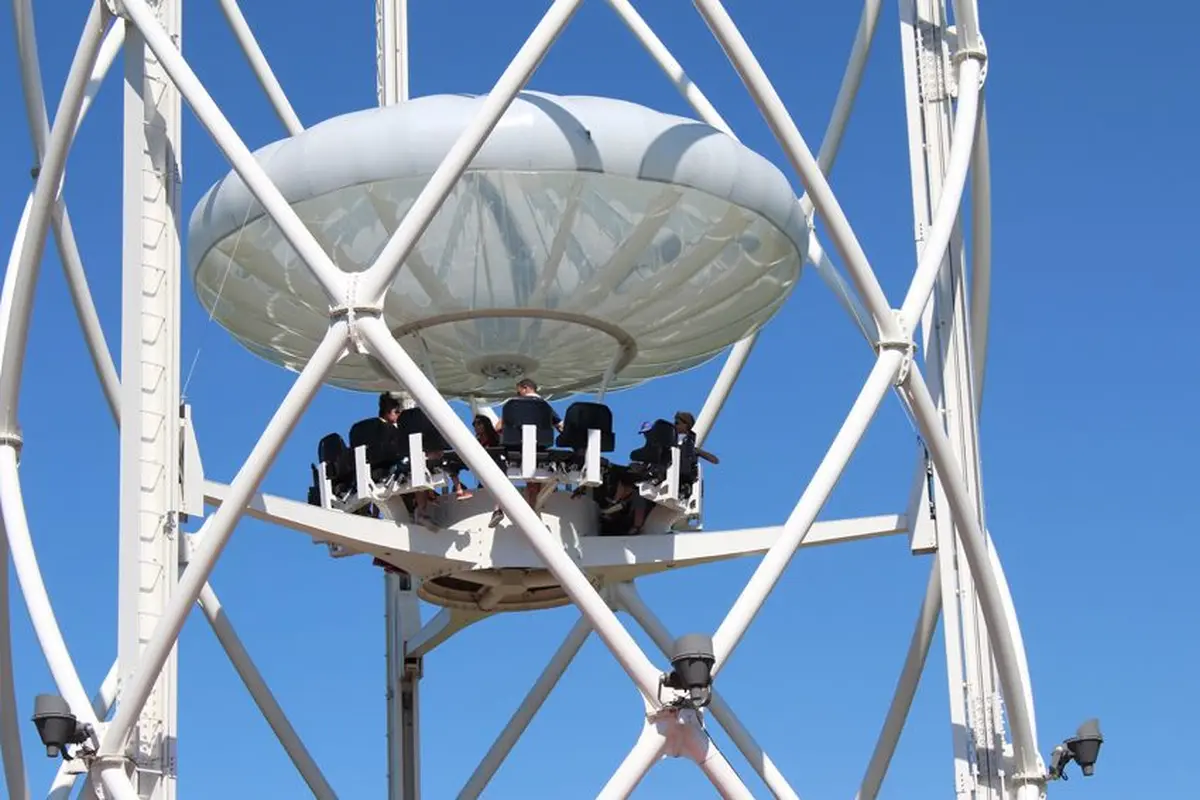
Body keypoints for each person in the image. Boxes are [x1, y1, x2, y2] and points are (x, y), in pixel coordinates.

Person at [490, 379, 563, 527]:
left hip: (515, 449)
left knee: (499, 473)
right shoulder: (545, 407)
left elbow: (498, 428)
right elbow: (561, 427)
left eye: (518, 391)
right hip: (539, 450)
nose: (517, 394)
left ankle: (498, 509)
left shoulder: (513, 405)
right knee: (533, 477)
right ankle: (531, 510)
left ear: (525, 388)